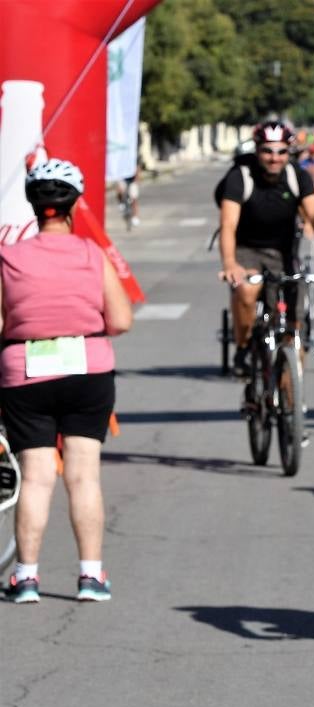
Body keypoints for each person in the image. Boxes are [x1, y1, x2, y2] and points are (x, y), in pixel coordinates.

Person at [0, 160, 132, 604]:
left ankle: (26, 578)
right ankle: (91, 577)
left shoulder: (8, 257)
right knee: (83, 476)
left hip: (25, 371)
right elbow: (121, 320)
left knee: (36, 478)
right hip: (87, 369)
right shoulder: (92, 255)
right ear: (74, 204)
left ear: (35, 207)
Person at [217, 120, 314, 377]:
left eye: (281, 152)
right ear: (257, 150)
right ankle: (243, 347)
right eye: (267, 151)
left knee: (291, 322)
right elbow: (228, 224)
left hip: (284, 251)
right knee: (247, 289)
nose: (274, 158)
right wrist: (230, 263)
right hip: (246, 248)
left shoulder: (298, 176)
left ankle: (289, 398)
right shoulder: (239, 176)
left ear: (289, 152)